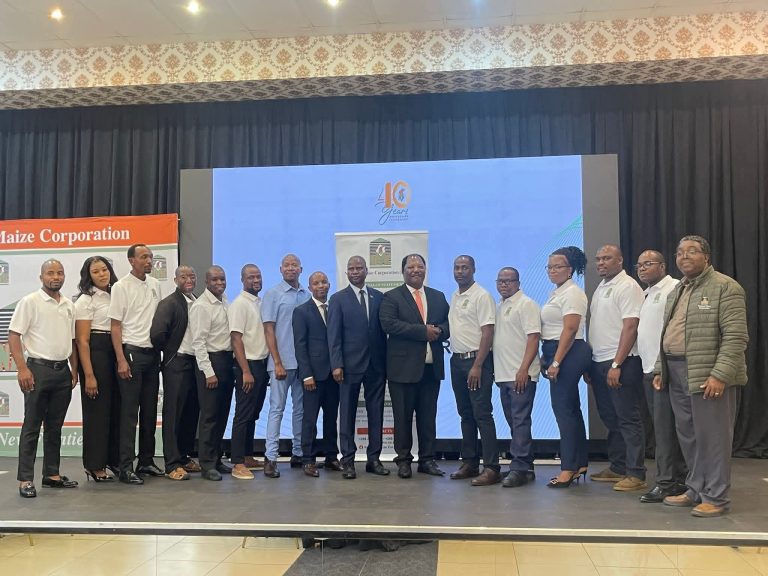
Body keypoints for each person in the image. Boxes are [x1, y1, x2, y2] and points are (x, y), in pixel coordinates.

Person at [655, 235, 748, 517]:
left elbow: (736, 337)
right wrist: (661, 368)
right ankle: (695, 488)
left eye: (691, 251)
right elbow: (668, 332)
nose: (684, 256)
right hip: (676, 370)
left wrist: (719, 375)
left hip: (707, 374)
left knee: (714, 437)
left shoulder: (725, 287)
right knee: (689, 436)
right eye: (679, 252)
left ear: (706, 257)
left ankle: (716, 497)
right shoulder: (678, 289)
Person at [9, 259, 79, 498]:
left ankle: (51, 474)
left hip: (62, 372)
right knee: (31, 426)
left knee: (55, 427)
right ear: (41, 277)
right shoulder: (30, 302)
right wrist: (22, 369)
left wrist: (74, 369)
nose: (55, 277)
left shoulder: (69, 305)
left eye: (60, 273)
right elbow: (14, 335)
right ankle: (25, 479)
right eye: (50, 273)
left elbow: (72, 340)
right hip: (37, 370)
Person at [379, 254, 450, 479]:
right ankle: (403, 460)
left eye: (420, 266)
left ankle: (427, 460)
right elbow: (389, 324)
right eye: (411, 266)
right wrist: (423, 332)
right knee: (402, 418)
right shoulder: (391, 297)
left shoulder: (438, 296)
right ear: (403, 271)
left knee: (428, 418)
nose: (416, 270)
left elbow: (449, 324)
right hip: (402, 369)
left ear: (425, 270)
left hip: (431, 369)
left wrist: (440, 330)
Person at [588, 244, 647, 492]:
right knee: (611, 418)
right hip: (600, 362)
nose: (601, 263)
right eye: (598, 259)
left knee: (628, 419)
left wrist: (616, 363)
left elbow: (631, 327)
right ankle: (618, 467)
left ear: (620, 261)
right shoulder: (601, 287)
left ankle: (636, 473)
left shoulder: (628, 286)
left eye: (607, 258)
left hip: (621, 362)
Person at [327, 256, 388, 480]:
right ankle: (348, 461)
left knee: (376, 413)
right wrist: (336, 364)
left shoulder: (378, 297)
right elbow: (333, 335)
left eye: (358, 268)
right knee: (347, 415)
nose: (355, 271)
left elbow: (382, 332)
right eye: (351, 268)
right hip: (348, 367)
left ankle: (374, 459)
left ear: (366, 270)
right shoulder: (338, 299)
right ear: (346, 272)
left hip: (376, 366)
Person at [635, 250, 686, 503]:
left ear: (663, 266)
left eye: (648, 264)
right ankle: (677, 478)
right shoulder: (647, 293)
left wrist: (660, 367)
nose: (642, 268)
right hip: (648, 369)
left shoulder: (673, 288)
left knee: (666, 430)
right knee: (662, 428)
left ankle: (667, 483)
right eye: (639, 265)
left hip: (664, 370)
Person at [108, 244, 163, 485]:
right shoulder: (121, 287)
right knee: (130, 414)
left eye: (150, 257)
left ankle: (146, 461)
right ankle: (125, 467)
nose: (149, 261)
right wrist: (121, 359)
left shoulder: (155, 285)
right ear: (131, 260)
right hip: (131, 353)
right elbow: (115, 326)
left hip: (152, 354)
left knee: (150, 411)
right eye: (143, 257)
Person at [541, 246, 592, 488]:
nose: (552, 270)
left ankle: (568, 468)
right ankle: (579, 463)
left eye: (558, 266)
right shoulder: (558, 292)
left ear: (570, 269)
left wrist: (556, 361)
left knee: (563, 410)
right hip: (558, 350)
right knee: (571, 409)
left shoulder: (572, 293)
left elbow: (570, 330)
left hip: (568, 352)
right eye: (549, 266)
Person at [447, 255, 500, 487]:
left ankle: (492, 467)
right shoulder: (455, 296)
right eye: (457, 268)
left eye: (465, 267)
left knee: (482, 414)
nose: (460, 271)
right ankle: (470, 462)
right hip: (457, 361)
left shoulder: (482, 295)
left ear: (474, 270)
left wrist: (478, 365)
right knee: (465, 414)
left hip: (476, 362)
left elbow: (488, 332)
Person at [150, 265, 201, 481]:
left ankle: (184, 456)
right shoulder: (169, 303)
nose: (188, 280)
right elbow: (157, 334)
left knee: (191, 412)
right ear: (175, 280)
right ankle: (171, 464)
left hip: (195, 363)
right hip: (176, 363)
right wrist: (172, 351)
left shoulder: (197, 301)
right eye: (183, 276)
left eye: (192, 276)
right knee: (173, 414)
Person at [262, 254, 311, 478]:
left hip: (303, 365)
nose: (291, 268)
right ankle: (271, 458)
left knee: (300, 410)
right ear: (280, 269)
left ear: (301, 269)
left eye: (295, 265)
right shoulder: (273, 294)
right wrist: (277, 362)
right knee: (277, 409)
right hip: (280, 364)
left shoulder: (307, 295)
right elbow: (268, 329)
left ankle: (298, 453)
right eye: (287, 265)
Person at [493, 267, 540, 488]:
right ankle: (526, 466)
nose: (504, 284)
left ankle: (519, 467)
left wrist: (524, 369)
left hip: (521, 374)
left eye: (509, 281)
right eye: (500, 281)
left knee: (520, 420)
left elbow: (533, 338)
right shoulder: (499, 306)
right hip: (504, 374)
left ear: (518, 283)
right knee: (513, 420)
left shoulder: (526, 304)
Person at [74, 256, 120, 482]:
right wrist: (89, 375)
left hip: (115, 351)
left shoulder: (116, 294)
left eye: (104, 269)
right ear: (88, 276)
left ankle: (114, 460)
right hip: (96, 353)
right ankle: (94, 465)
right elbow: (82, 341)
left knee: (116, 410)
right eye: (96, 271)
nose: (102, 274)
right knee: (97, 413)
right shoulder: (85, 300)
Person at [293, 271, 341, 477]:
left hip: (334, 375)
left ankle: (331, 457)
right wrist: (306, 375)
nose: (321, 286)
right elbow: (300, 345)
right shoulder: (301, 311)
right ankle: (308, 460)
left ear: (329, 285)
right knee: (310, 420)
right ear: (310, 287)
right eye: (316, 283)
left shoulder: (335, 309)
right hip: (313, 376)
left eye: (324, 282)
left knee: (331, 419)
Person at [189, 265, 234, 481]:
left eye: (222, 279)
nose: (219, 283)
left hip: (226, 361)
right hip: (211, 363)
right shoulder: (201, 306)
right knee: (210, 416)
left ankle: (216, 459)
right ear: (206, 282)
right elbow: (198, 342)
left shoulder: (225, 301)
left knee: (222, 413)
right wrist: (208, 372)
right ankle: (206, 464)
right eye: (215, 279)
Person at [229, 264, 270, 480]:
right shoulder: (239, 304)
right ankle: (237, 463)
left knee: (254, 413)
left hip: (261, 365)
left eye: (258, 276)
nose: (256, 280)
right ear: (242, 280)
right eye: (251, 277)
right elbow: (236, 339)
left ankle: (247, 455)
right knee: (243, 414)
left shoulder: (259, 302)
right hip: (248, 366)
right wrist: (245, 371)